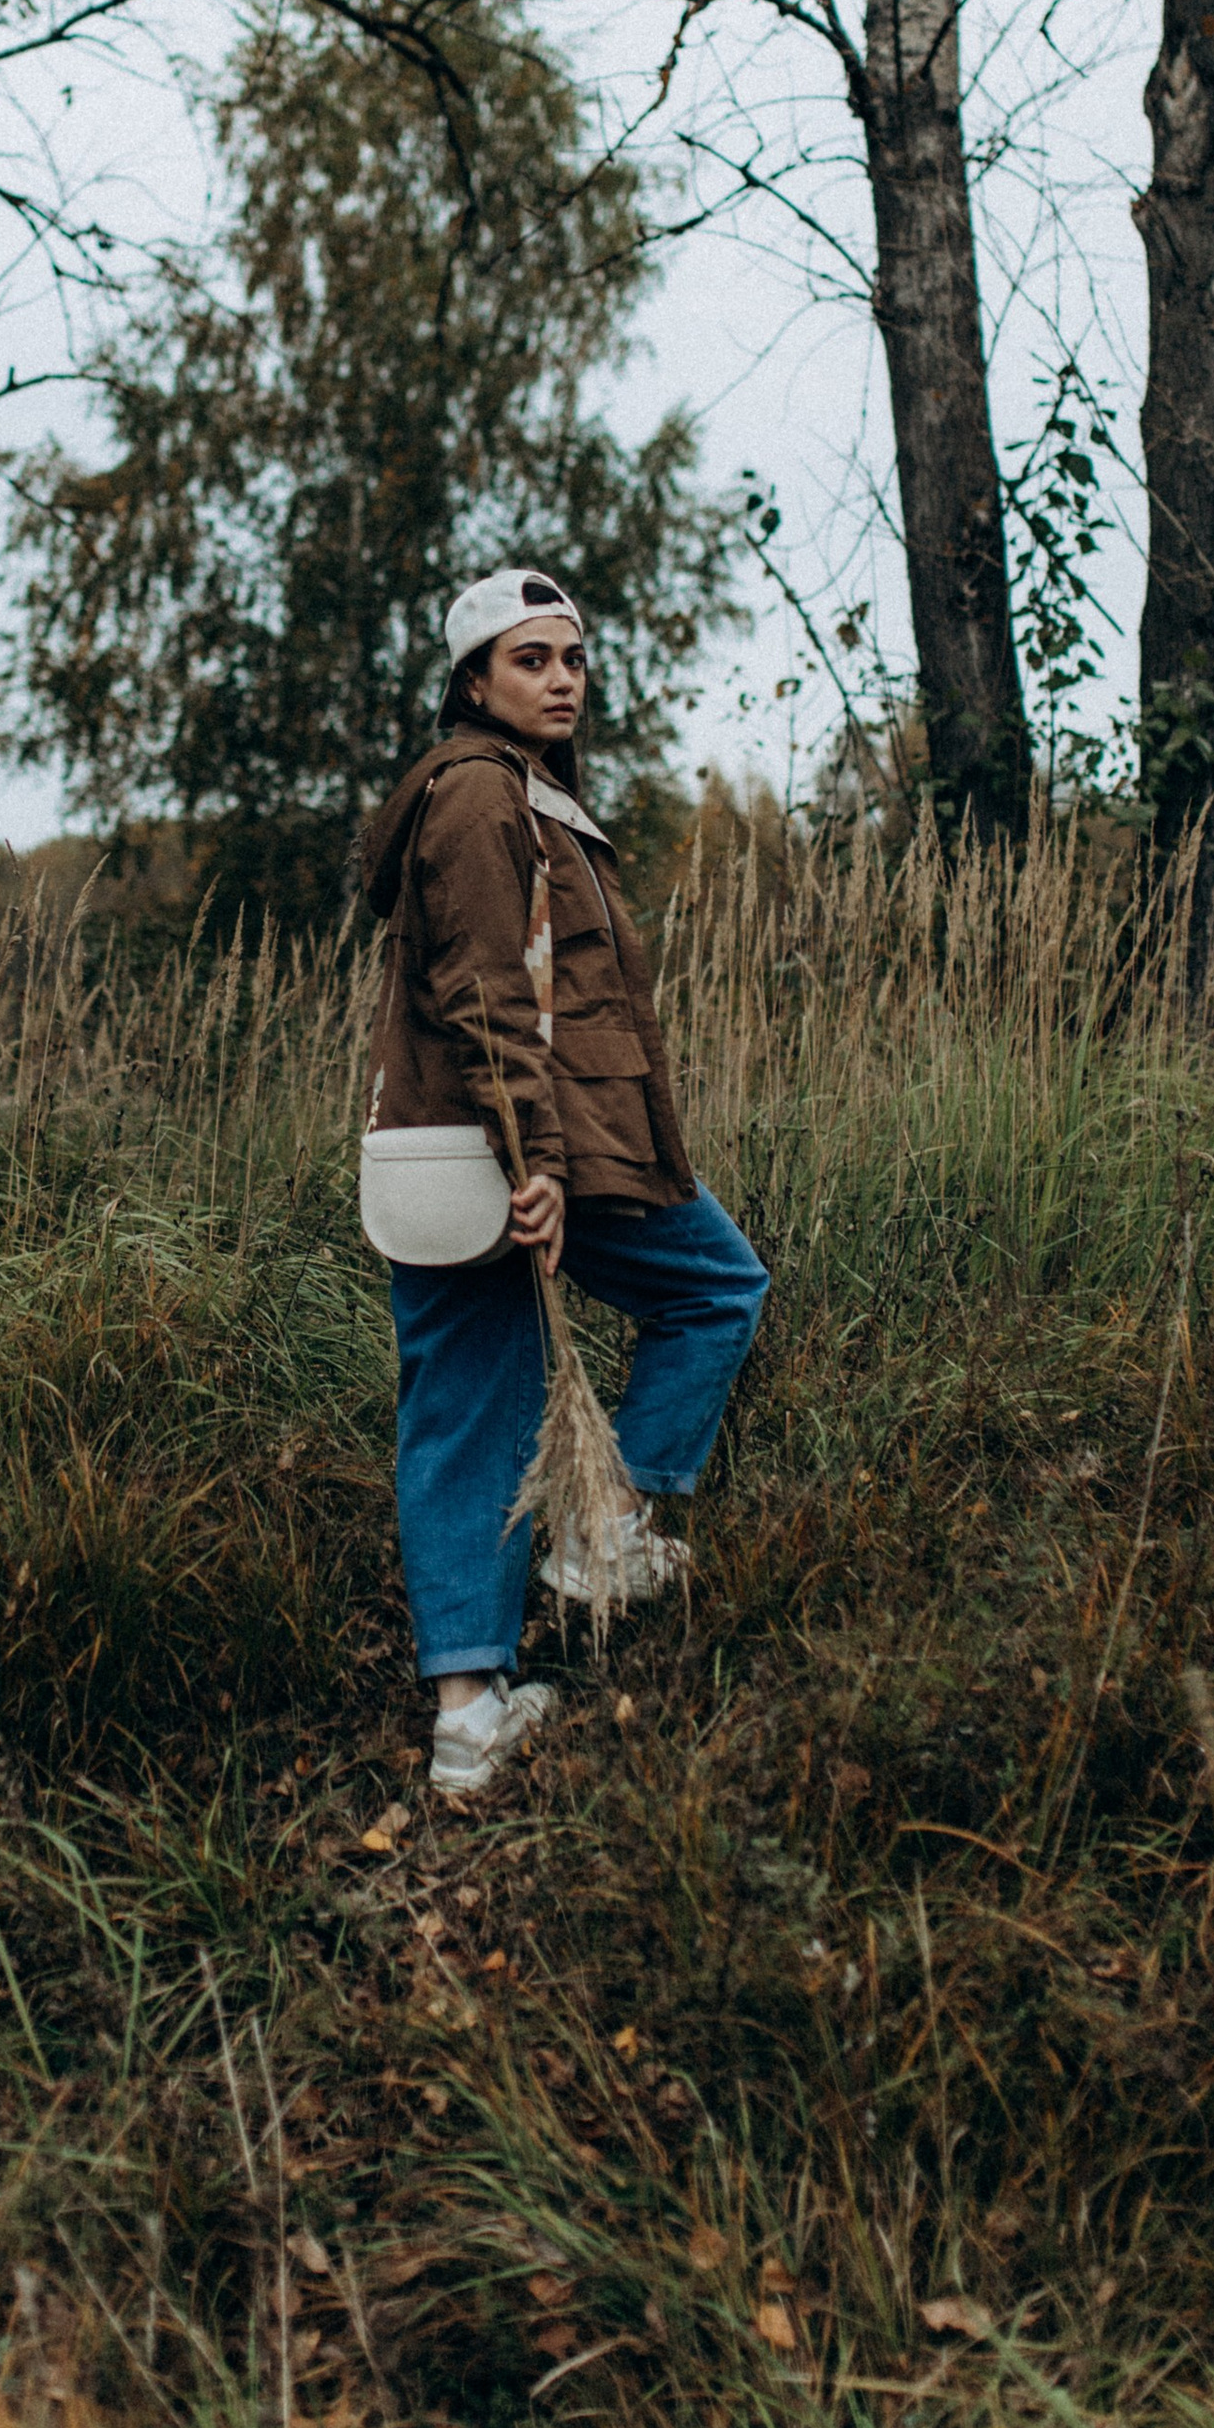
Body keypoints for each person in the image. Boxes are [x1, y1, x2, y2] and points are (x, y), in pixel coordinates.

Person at [360, 567, 770, 1796]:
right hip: (516, 1153)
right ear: (473, 681)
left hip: (511, 1147)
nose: (560, 680)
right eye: (529, 660)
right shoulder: (480, 798)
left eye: (573, 660)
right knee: (702, 1295)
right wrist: (533, 1166)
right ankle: (594, 1545)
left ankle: (477, 1703)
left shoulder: (524, 796)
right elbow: (485, 996)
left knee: (470, 1414)